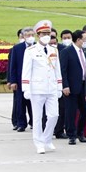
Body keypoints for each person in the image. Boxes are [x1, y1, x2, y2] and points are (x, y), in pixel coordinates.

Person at [21, 20, 63, 154]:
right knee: (37, 118)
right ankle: (39, 143)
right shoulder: (31, 51)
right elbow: (26, 70)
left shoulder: (54, 50)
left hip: (51, 87)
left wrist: (59, 86)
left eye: (48, 33)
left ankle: (46, 138)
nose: (47, 35)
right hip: (37, 88)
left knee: (54, 115)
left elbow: (57, 69)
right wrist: (26, 88)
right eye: (44, 33)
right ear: (38, 35)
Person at [59, 30, 86, 145]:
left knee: (85, 110)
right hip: (71, 86)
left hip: (84, 86)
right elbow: (63, 70)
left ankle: (80, 132)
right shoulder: (67, 52)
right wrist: (65, 85)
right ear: (78, 40)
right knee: (71, 111)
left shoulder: (85, 52)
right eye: (84, 39)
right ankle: (71, 134)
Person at [8, 27, 35, 132]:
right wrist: (13, 81)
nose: (30, 37)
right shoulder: (17, 48)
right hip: (20, 81)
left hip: (35, 80)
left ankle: (34, 122)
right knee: (20, 103)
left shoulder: (38, 47)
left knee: (33, 103)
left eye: (32, 35)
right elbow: (13, 66)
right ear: (23, 36)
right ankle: (21, 123)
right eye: (28, 35)